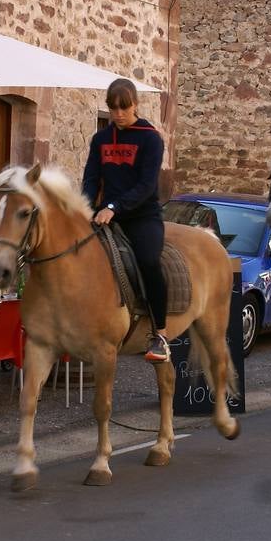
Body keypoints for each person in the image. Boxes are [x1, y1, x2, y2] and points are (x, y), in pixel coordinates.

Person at [82, 78, 170, 362]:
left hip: (142, 216)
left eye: (124, 107)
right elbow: (91, 178)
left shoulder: (150, 138)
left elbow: (146, 185)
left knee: (148, 261)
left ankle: (160, 333)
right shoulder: (101, 139)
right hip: (104, 215)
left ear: (135, 105)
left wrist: (113, 207)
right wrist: (85, 207)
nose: (118, 114)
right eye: (113, 108)